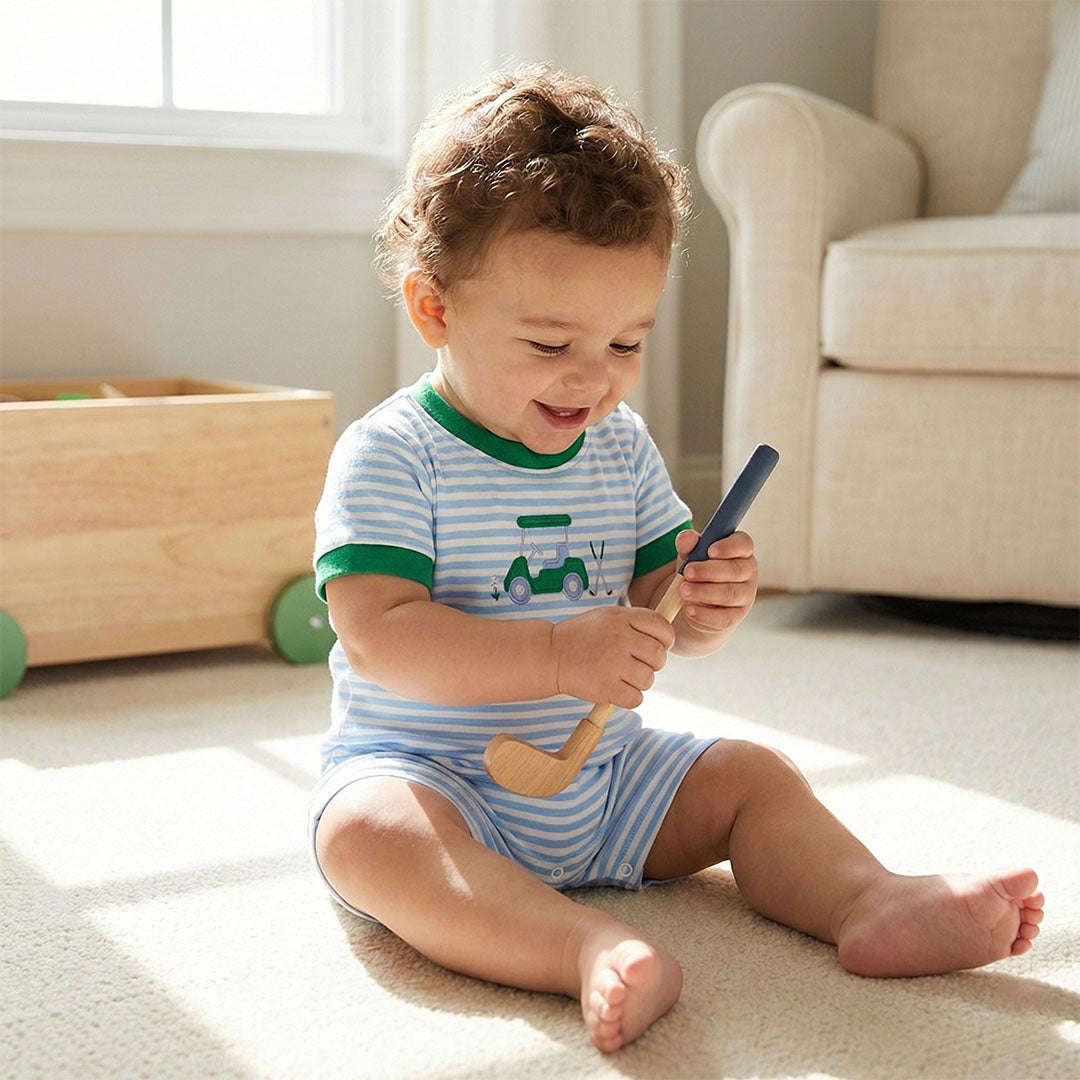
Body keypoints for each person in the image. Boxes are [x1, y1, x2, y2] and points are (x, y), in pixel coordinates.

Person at [308, 63, 1043, 1053]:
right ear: (434, 310)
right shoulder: (393, 455)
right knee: (365, 839)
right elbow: (382, 635)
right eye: (549, 341)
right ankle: (580, 949)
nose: (591, 377)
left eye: (625, 342)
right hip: (435, 777)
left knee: (753, 776)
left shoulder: (619, 448)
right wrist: (556, 657)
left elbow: (663, 610)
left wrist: (705, 603)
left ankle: (869, 899)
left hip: (606, 779)